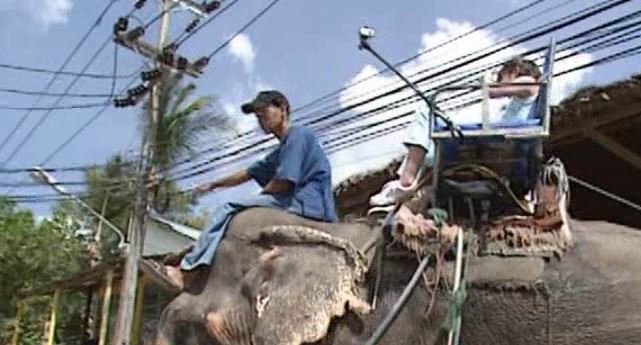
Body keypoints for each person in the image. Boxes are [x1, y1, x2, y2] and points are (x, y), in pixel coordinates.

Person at [143, 90, 337, 291]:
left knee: (228, 208)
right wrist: (214, 184)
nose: (260, 117)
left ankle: (187, 272)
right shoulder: (281, 150)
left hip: (307, 204)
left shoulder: (298, 135)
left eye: (264, 110)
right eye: (257, 114)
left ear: (283, 109)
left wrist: (255, 201)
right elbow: (248, 173)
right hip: (295, 202)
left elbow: (283, 183)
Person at [369, 57, 542, 209]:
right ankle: (406, 184)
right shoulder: (520, 103)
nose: (499, 79)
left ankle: (406, 181)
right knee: (430, 142)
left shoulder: (530, 83)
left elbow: (494, 91)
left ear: (515, 70)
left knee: (426, 112)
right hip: (500, 140)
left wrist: (488, 82)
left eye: (502, 75)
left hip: (499, 142)